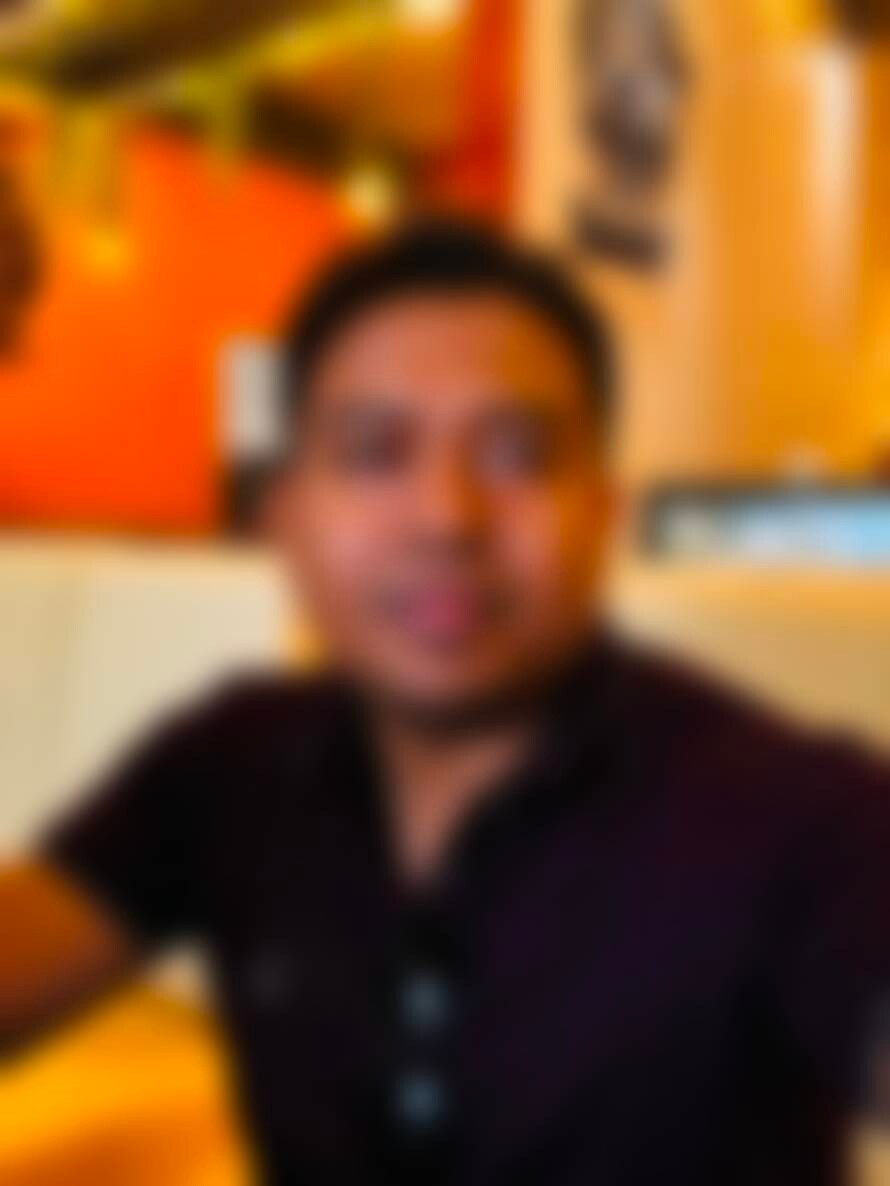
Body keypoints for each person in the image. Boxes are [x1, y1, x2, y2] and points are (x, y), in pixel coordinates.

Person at [1, 220, 889, 1186]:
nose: (445, 517)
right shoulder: (230, 764)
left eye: (517, 454)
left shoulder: (792, 817)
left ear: (602, 511)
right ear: (287, 518)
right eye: (373, 452)